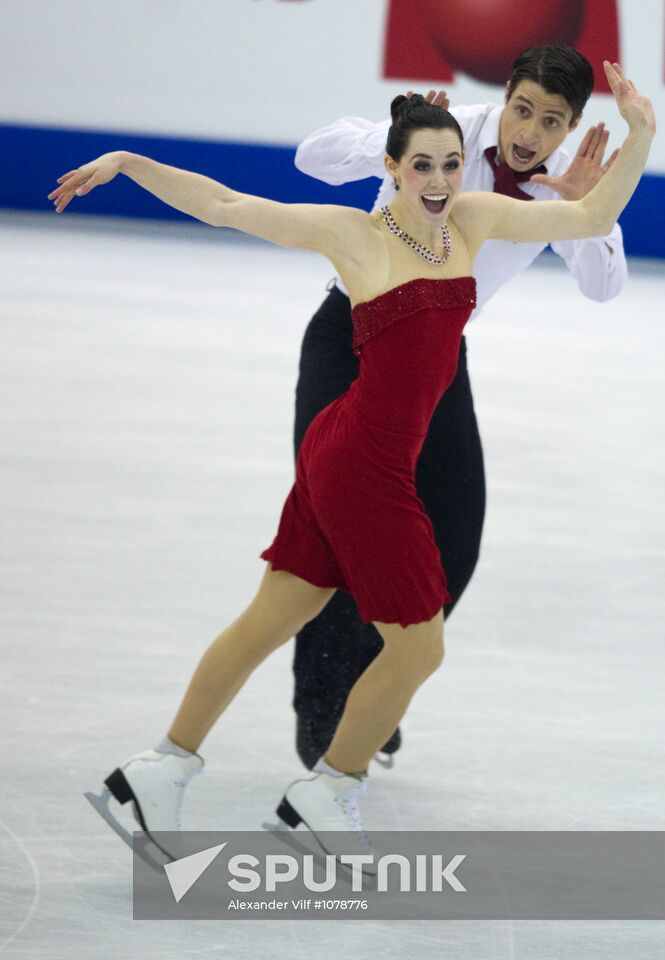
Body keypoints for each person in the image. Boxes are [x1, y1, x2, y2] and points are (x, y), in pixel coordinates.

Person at [50, 62, 654, 856]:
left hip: (359, 451)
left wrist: (640, 132)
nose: (437, 182)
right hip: (361, 465)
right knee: (420, 645)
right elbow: (228, 205)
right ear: (392, 169)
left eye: (447, 165)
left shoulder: (475, 218)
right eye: (420, 166)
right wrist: (127, 163)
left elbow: (589, 216)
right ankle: (327, 788)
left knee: (274, 614)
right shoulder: (355, 237)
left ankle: (159, 770)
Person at [291, 45, 628, 769]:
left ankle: (376, 681)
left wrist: (580, 209)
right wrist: (393, 141)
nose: (530, 132)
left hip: (433, 356)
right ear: (503, 98)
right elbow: (309, 157)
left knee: (453, 537)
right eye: (522, 110)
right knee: (333, 533)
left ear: (569, 127)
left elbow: (604, 286)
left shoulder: (559, 187)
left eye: (551, 120)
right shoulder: (437, 136)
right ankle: (321, 711)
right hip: (348, 338)